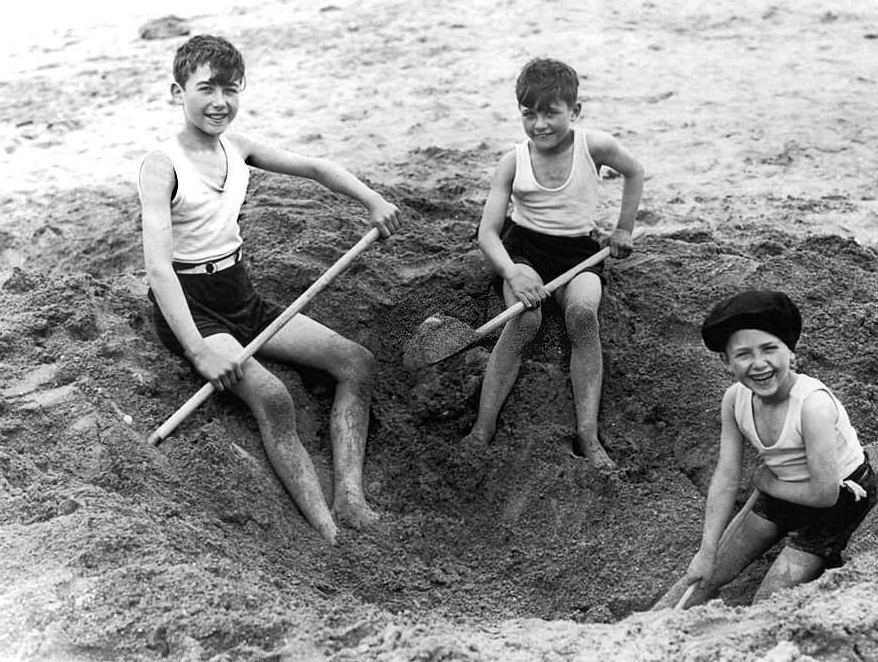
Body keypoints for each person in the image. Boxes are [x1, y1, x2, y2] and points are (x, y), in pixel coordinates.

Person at [138, 35, 401, 543]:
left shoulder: (238, 148)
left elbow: (317, 168)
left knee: (356, 362)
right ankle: (326, 533)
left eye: (231, 90)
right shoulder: (161, 165)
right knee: (275, 397)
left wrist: (371, 199)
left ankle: (350, 498)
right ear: (178, 92)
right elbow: (158, 269)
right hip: (192, 309)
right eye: (206, 88)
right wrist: (198, 351)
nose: (220, 102)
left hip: (241, 295)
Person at [461, 57, 644, 470]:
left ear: (574, 111)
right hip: (525, 251)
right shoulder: (513, 161)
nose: (540, 124)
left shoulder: (593, 146)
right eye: (529, 114)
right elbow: (488, 233)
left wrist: (623, 229)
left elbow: (635, 171)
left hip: (579, 254)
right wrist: (512, 271)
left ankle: (588, 434)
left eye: (551, 112)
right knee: (525, 320)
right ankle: (483, 426)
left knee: (581, 314)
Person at [653, 290, 876, 608]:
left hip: (837, 501)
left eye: (770, 349)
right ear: (726, 361)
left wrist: (769, 483)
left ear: (790, 351)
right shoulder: (734, 399)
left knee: (769, 599)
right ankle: (639, 632)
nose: (759, 364)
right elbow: (727, 477)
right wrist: (706, 550)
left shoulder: (813, 406)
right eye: (743, 354)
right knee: (703, 576)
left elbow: (825, 494)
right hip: (783, 492)